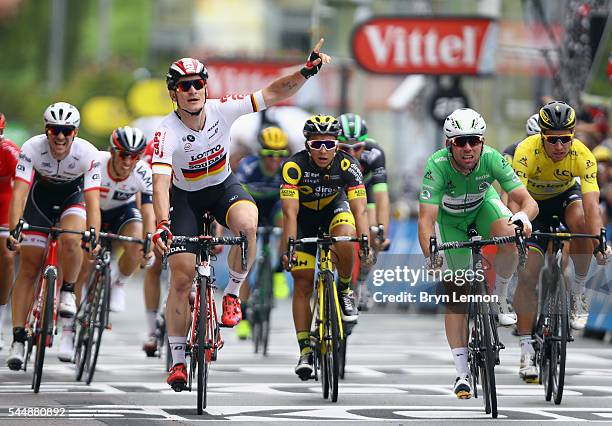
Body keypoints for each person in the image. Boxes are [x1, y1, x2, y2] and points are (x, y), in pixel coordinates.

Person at [152, 38, 332, 391]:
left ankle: (233, 293)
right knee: (181, 278)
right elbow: (160, 184)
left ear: (205, 87)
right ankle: (176, 362)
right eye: (184, 87)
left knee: (248, 223)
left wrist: (307, 71)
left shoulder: (223, 110)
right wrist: (161, 225)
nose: (192, 91)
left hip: (222, 189)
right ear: (174, 94)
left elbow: (274, 92)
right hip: (185, 198)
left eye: (197, 84)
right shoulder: (165, 131)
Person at [418, 108, 538, 399]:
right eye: (460, 142)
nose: (468, 147)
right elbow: (426, 220)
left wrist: (522, 217)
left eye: (474, 140)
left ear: (482, 141)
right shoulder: (437, 165)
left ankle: (500, 294)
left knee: (509, 234)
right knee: (456, 294)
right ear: (450, 144)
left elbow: (527, 201)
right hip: (451, 222)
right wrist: (431, 255)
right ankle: (461, 372)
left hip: (484, 208)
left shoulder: (493, 158)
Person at [511, 101, 611, 383]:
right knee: (528, 274)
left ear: (573, 135)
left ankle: (579, 291)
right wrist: (517, 229)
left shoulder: (583, 155)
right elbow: (514, 199)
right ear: (541, 136)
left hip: (566, 199)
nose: (558, 145)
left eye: (565, 139)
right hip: (533, 206)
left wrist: (599, 239)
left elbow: (593, 207)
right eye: (551, 139)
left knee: (582, 225)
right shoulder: (526, 151)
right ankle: (526, 347)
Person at [6, 102, 101, 370]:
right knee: (28, 267)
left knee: (72, 239)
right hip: (40, 200)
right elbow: (20, 194)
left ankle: (68, 289)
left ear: (75, 132)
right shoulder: (31, 148)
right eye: (54, 130)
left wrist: (92, 235)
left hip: (74, 196)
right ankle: (17, 338)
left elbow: (93, 202)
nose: (60, 137)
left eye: (66, 131)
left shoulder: (88, 154)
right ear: (46, 130)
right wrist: (15, 228)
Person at [279, 114, 372, 380]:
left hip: (335, 210)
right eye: (316, 144)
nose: (323, 150)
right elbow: (290, 214)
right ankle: (305, 349)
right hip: (305, 220)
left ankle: (343, 290)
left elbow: (360, 208)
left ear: (337, 145)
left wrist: (364, 241)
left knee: (345, 236)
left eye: (329, 144)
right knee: (302, 282)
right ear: (307, 145)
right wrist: (290, 247)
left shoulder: (348, 164)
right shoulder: (293, 167)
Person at [234, 125, 289, 340]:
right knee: (247, 261)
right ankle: (244, 316)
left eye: (279, 155)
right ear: (260, 154)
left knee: (286, 219)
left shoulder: (286, 169)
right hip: (253, 206)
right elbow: (239, 200)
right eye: (269, 155)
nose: (274, 160)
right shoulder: (248, 168)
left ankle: (277, 273)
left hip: (274, 208)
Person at [337, 113, 390, 251]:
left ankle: (367, 260)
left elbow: (382, 196)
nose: (352, 153)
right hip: (340, 190)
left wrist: (382, 232)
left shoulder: (374, 153)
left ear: (364, 144)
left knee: (371, 227)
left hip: (365, 189)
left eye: (357, 148)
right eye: (344, 148)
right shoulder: (329, 154)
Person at [0, 112, 20, 350]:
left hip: (5, 206)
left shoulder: (9, 151)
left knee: (6, 256)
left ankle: (2, 315)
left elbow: (26, 185)